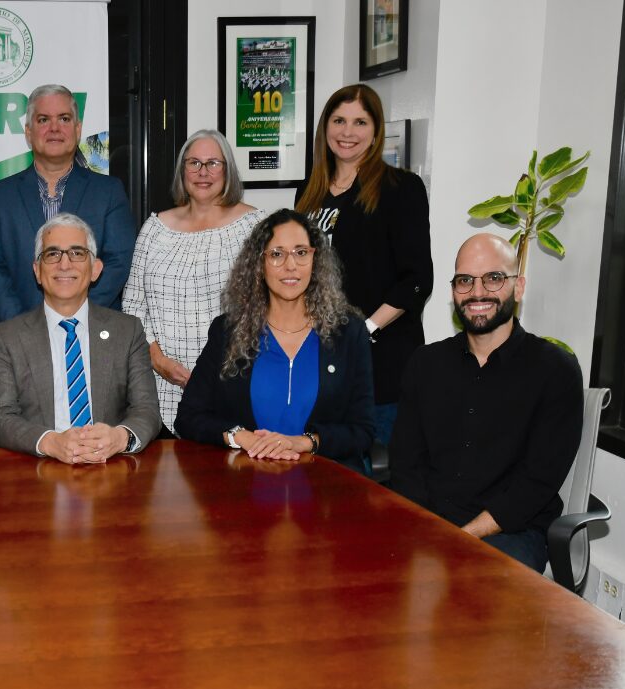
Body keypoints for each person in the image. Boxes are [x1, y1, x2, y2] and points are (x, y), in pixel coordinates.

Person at [390, 233, 583, 571]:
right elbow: (407, 464)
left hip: (511, 533)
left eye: (493, 278)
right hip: (428, 523)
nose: (477, 292)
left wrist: (464, 535)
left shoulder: (556, 371)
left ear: (518, 287)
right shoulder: (424, 365)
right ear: (453, 292)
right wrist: (425, 529)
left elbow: (537, 482)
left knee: (474, 593)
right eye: (465, 281)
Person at [174, 209, 375, 473]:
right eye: (277, 254)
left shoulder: (349, 332)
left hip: (327, 493)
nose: (290, 265)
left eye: (301, 252)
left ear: (316, 260)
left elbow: (363, 430)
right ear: (259, 264)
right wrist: (239, 436)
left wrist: (305, 443)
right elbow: (189, 417)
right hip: (243, 489)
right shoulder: (228, 331)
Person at [294, 83, 432, 451]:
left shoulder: (401, 188)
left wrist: (365, 330)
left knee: (377, 481)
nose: (347, 132)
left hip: (382, 364)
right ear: (325, 127)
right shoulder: (310, 190)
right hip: (320, 359)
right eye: (339, 120)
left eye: (360, 122)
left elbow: (417, 279)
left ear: (375, 131)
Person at [0, 213, 161, 463]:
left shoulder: (128, 331)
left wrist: (119, 437)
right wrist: (50, 442)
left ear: (95, 269)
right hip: (37, 472)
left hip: (111, 469)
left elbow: (147, 410)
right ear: (37, 270)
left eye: (77, 253)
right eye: (52, 254)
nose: (64, 264)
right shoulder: (7, 338)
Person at [123, 129, 266, 434]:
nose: (203, 173)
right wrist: (158, 360)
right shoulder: (154, 228)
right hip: (160, 387)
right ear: (182, 170)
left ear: (228, 170)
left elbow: (267, 307)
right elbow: (133, 306)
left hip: (231, 386)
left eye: (213, 163)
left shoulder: (255, 227)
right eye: (194, 163)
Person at [0, 84, 136, 323]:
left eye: (64, 118)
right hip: (20, 338)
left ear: (78, 129)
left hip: (92, 334)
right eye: (43, 120)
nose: (54, 128)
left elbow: (118, 262)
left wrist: (74, 320)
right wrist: (27, 330)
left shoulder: (109, 192)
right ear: (28, 132)